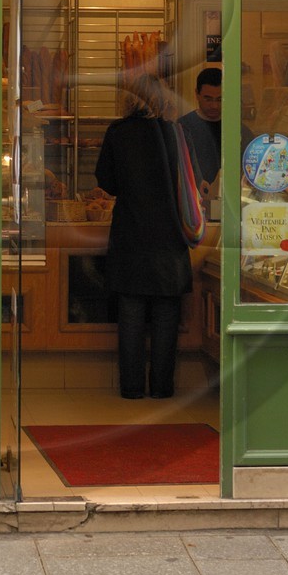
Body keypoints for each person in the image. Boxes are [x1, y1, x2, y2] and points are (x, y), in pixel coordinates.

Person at [95, 72, 192, 400]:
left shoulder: (118, 133)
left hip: (131, 234)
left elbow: (106, 181)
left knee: (131, 314)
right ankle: (163, 388)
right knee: (167, 313)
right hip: (170, 236)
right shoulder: (175, 133)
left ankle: (132, 388)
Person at [176, 67, 254, 189]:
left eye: (219, 99)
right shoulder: (183, 128)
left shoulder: (239, 131)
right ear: (197, 94)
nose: (214, 105)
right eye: (208, 99)